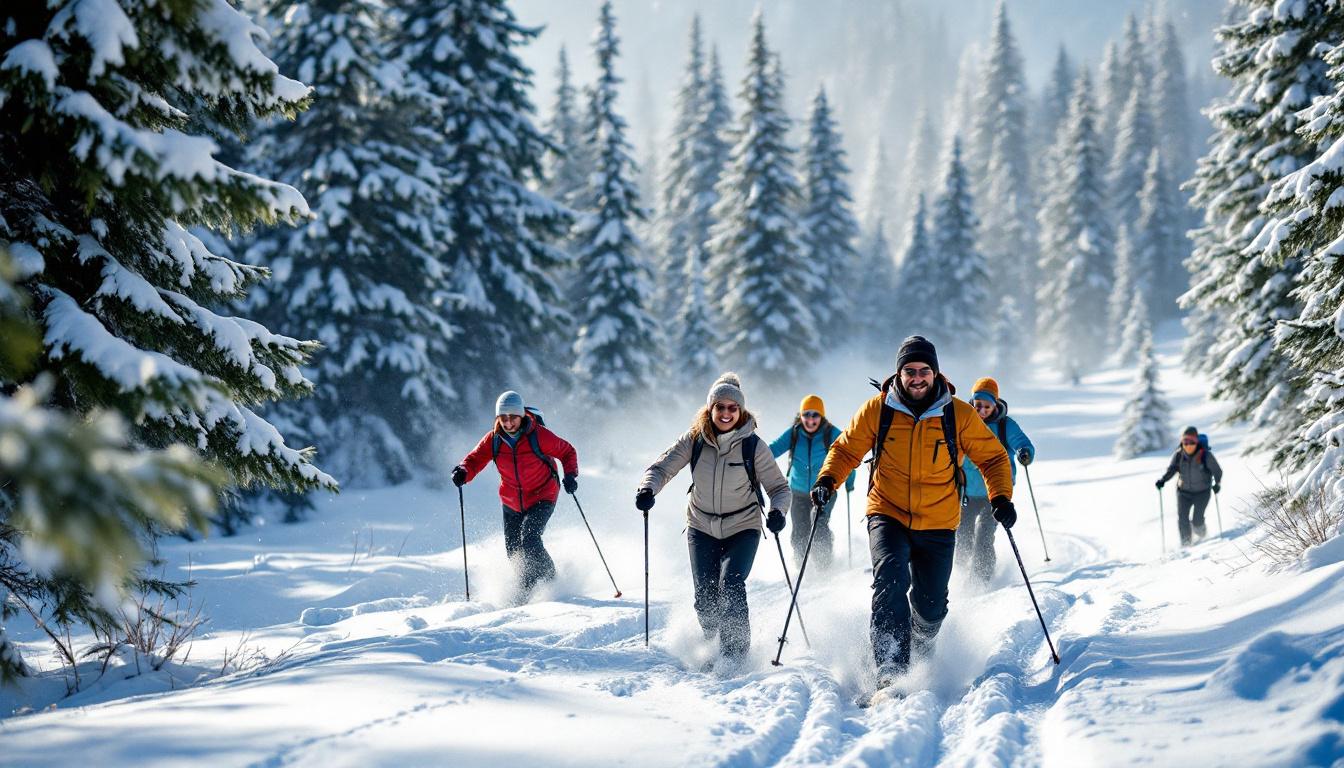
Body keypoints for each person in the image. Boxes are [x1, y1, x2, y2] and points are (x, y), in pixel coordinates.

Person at [812, 336, 1015, 688]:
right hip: (887, 512)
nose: (917, 378)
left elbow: (994, 457)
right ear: (898, 373)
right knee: (890, 579)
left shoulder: (958, 414)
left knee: (931, 603)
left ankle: (920, 643)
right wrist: (827, 480)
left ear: (935, 373)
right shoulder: (878, 409)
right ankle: (890, 666)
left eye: (924, 371)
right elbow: (846, 449)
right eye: (910, 371)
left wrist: (1000, 498)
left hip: (939, 520)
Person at [636, 373, 790, 660]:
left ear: (741, 411)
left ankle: (734, 656)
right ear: (710, 409)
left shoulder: (753, 446)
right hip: (701, 524)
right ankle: (713, 641)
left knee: (731, 584)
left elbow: (779, 488)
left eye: (733, 408)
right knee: (705, 598)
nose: (726, 413)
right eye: (720, 407)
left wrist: (777, 511)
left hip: (743, 525)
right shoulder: (694, 440)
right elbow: (661, 468)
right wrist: (648, 489)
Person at [453, 391, 578, 603]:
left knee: (529, 539)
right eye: (503, 418)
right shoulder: (493, 440)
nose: (508, 422)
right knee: (514, 551)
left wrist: (570, 475)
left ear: (521, 416)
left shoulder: (539, 436)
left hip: (543, 494)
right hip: (511, 501)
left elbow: (567, 451)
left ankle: (551, 583)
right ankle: (526, 588)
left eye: (513, 417)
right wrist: (463, 471)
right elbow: (474, 460)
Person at [957, 377, 1035, 584]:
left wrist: (1024, 452)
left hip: (996, 495)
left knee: (984, 535)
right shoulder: (964, 422)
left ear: (995, 404)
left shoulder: (1005, 425)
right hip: (967, 492)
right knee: (962, 535)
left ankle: (981, 579)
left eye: (987, 406)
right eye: (977, 405)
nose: (981, 410)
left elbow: (1022, 442)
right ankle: (959, 575)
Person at [769, 395, 856, 568]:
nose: (810, 419)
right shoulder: (794, 434)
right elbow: (771, 451)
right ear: (800, 415)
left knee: (818, 523)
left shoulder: (831, 433)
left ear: (821, 416)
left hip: (825, 490)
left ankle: (824, 565)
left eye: (815, 415)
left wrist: (849, 481)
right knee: (799, 531)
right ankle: (802, 567)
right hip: (798, 491)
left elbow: (846, 457)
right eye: (806, 414)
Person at [1156, 426, 1224, 545]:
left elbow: (1217, 471)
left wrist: (1217, 483)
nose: (1188, 445)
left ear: (1196, 441)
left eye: (1191, 442)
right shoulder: (1178, 455)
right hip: (1183, 492)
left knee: (1197, 521)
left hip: (1202, 492)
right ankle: (1186, 544)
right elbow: (1171, 470)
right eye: (1185, 442)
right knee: (1183, 519)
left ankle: (1203, 536)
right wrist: (1163, 480)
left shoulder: (1205, 455)